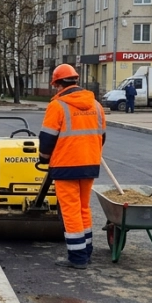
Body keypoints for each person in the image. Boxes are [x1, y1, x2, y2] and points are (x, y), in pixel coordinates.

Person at [40, 64, 106, 270]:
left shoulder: (57, 106)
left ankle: (77, 258)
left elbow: (47, 138)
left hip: (66, 165)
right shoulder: (96, 105)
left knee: (70, 210)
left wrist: (43, 158)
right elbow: (102, 136)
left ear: (58, 84)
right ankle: (86, 251)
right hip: (90, 163)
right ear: (76, 81)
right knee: (83, 208)